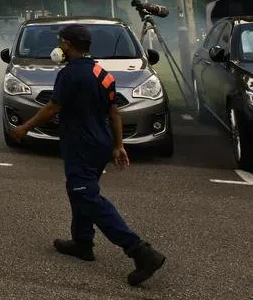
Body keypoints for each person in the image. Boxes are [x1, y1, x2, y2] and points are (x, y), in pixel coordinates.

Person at [12, 24, 166, 287]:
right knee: (80, 190)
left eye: (61, 42)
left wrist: (24, 128)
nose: (59, 47)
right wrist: (118, 146)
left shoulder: (70, 75)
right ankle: (82, 243)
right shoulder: (101, 72)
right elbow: (114, 112)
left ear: (69, 46)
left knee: (86, 195)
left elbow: (52, 107)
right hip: (101, 143)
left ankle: (140, 251)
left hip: (81, 145)